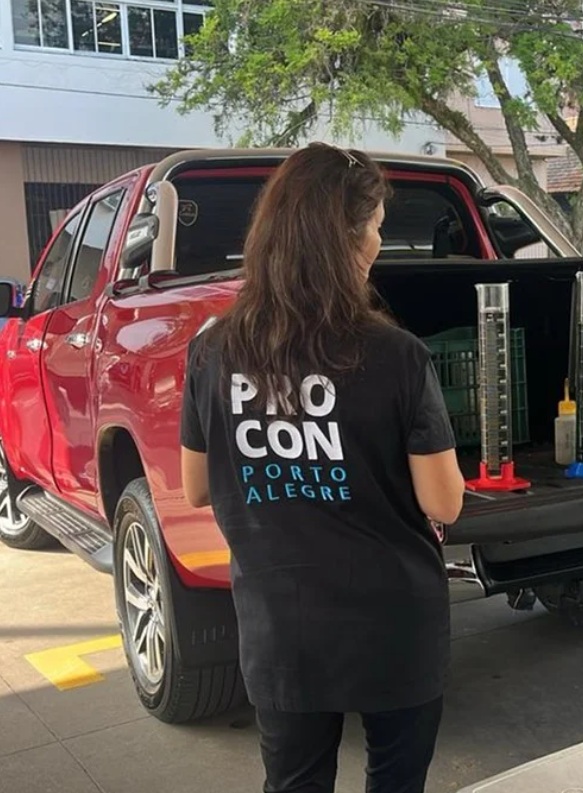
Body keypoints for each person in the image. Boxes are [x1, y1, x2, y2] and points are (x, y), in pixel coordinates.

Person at [179, 143, 467, 793]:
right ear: (350, 238)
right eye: (377, 226)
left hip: (281, 625)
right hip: (392, 623)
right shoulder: (396, 354)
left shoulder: (213, 350)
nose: (378, 241)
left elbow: (196, 486)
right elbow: (444, 502)